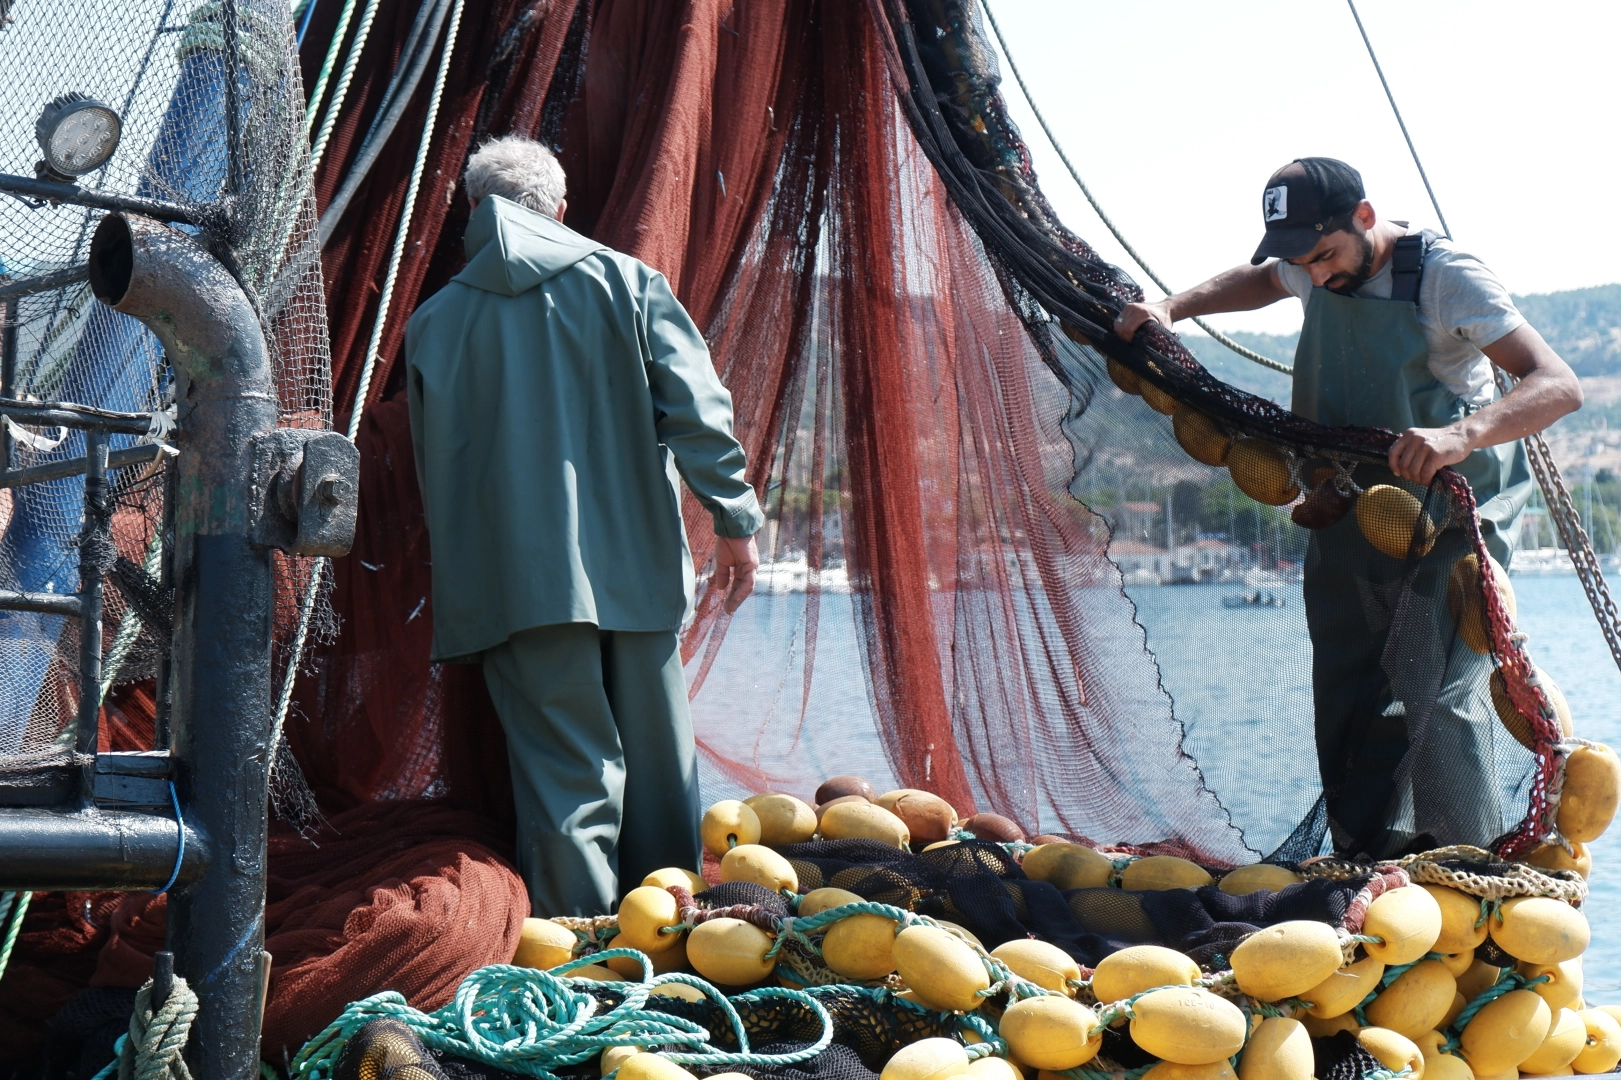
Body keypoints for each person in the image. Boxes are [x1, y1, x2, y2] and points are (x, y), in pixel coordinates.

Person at [1114, 158, 1582, 856]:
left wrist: (1460, 434)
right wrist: (1170, 308)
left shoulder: (1445, 277)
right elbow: (1260, 281)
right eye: (1301, 259)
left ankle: (1474, 873)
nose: (1316, 273)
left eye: (1325, 255)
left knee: (1439, 690)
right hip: (1349, 497)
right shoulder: (1308, 258)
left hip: (1451, 514)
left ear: (1364, 218)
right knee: (1348, 685)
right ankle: (1374, 860)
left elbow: (1559, 384)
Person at [406, 136, 764, 915]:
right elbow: (697, 415)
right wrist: (735, 520)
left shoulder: (433, 324)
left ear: (472, 212)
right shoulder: (629, 283)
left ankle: (585, 955)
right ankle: (676, 935)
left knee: (567, 778)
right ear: (562, 211)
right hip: (635, 571)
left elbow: (437, 478)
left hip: (517, 590)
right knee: (661, 772)